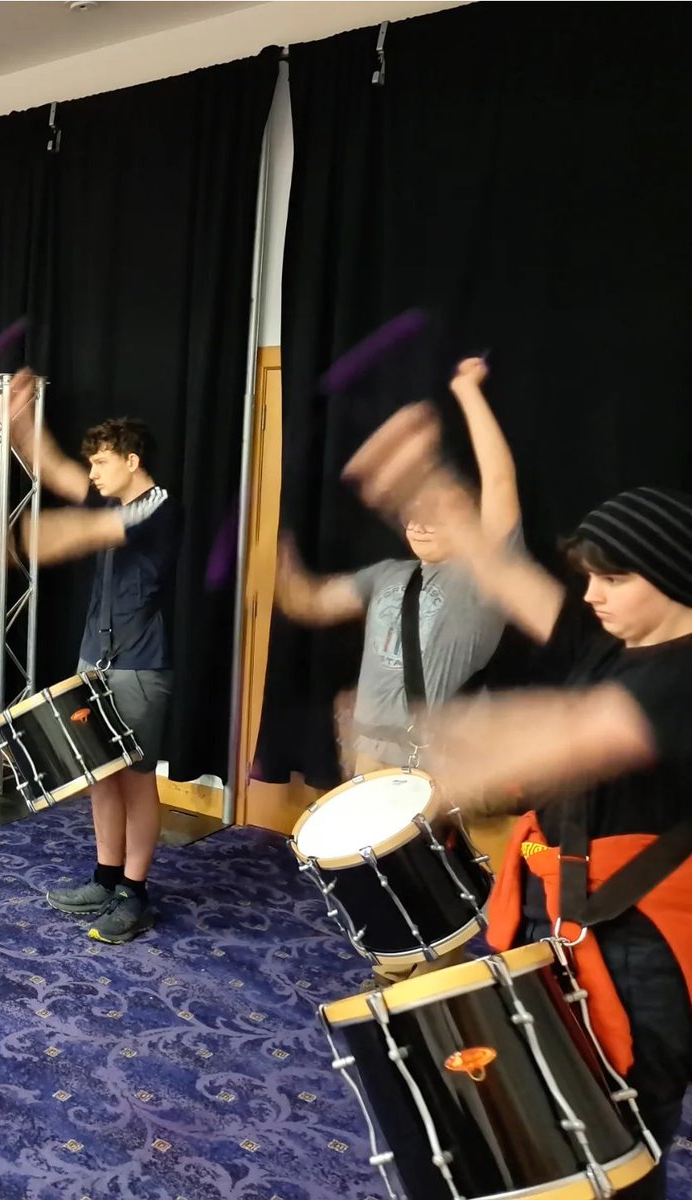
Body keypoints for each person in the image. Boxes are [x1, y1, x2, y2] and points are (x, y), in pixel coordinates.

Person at [344, 400, 692, 1199]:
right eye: (592, 576)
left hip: (641, 950)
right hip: (561, 910)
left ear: (675, 578)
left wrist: (453, 748)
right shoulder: (616, 637)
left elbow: (586, 729)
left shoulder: (683, 674)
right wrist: (439, 500)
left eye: (616, 577)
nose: (594, 594)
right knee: (543, 1116)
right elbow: (519, 585)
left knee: (617, 1138)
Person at [274, 357, 521, 983]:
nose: (418, 520)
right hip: (369, 757)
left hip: (432, 759)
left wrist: (466, 392)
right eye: (412, 511)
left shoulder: (483, 574)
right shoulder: (386, 575)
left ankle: (443, 1001)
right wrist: (274, 559)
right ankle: (396, 976)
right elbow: (308, 600)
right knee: (381, 885)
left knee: (440, 891)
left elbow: (499, 483)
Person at [0, 368, 183, 945]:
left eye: (102, 461)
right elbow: (72, 489)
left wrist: (35, 530)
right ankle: (105, 877)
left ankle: (135, 893)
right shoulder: (118, 506)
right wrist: (22, 428)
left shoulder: (156, 510)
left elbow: (79, 522)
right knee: (98, 775)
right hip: (95, 660)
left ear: (131, 460)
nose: (94, 473)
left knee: (135, 779)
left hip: (139, 667)